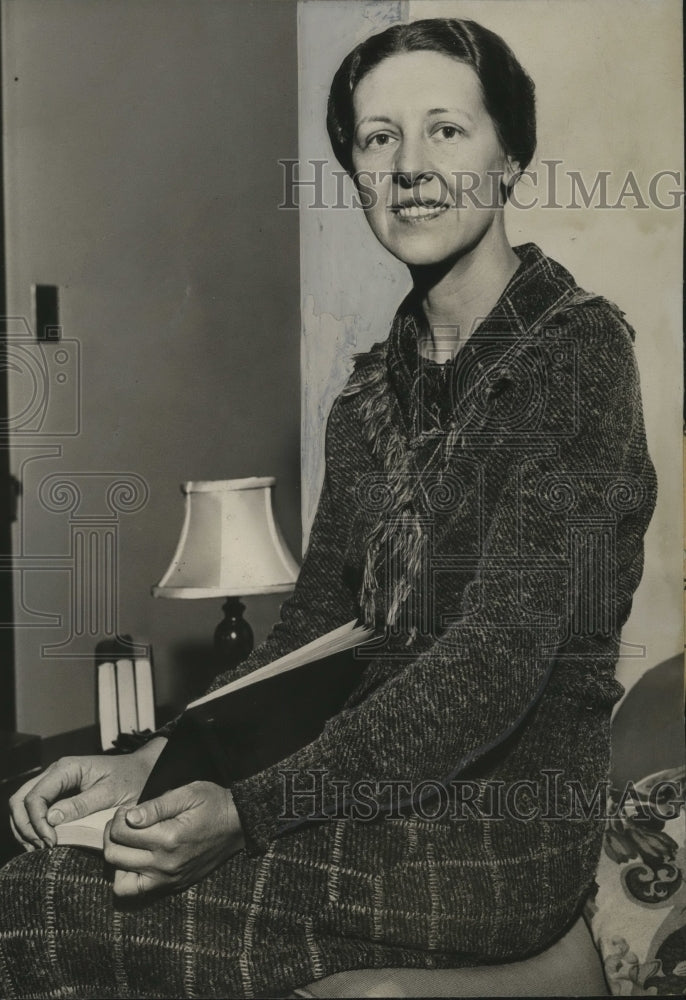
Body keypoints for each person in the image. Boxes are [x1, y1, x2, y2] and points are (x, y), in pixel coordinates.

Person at [0, 17, 657, 999]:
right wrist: (155, 760)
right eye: (376, 138)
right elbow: (312, 634)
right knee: (45, 878)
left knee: (38, 903)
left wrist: (247, 810)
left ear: (509, 154)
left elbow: (489, 668)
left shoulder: (575, 356)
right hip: (364, 806)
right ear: (351, 172)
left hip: (497, 841)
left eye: (445, 129)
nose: (410, 166)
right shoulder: (367, 398)